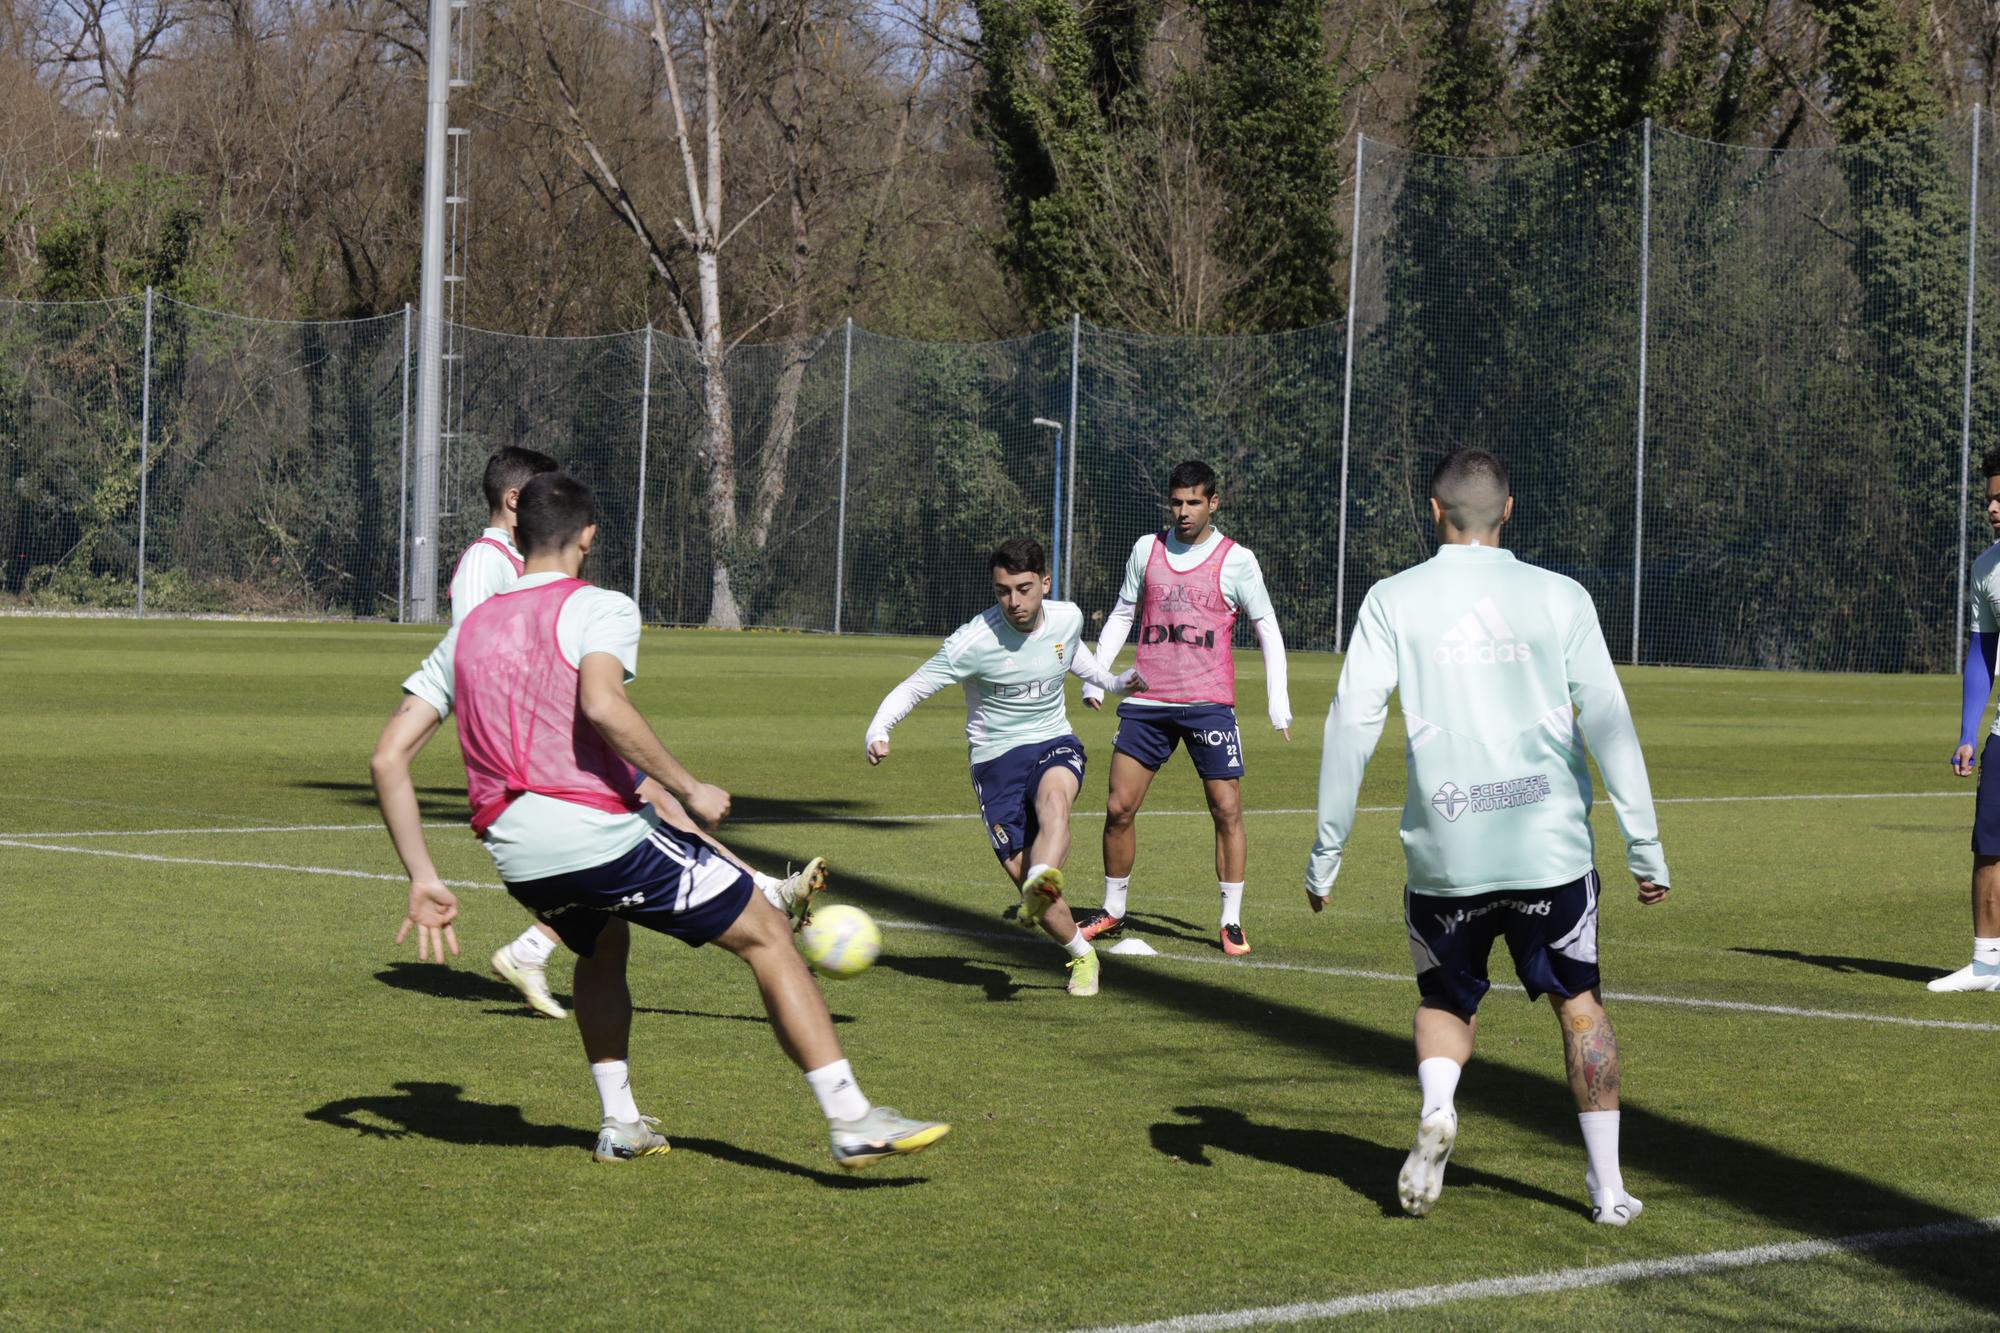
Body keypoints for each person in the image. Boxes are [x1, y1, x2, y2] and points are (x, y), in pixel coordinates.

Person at [372, 471, 946, 1169]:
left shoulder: (465, 633)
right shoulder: (599, 607)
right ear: (588, 535)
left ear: (516, 534)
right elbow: (604, 706)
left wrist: (422, 876)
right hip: (595, 834)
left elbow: (387, 759)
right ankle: (852, 1117)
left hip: (515, 851)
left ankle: (620, 1123)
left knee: (600, 942)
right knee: (768, 933)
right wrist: (690, 785)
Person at [1304, 448, 1670, 1225]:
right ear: (1509, 511)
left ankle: (1440, 1105)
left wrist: (1326, 850)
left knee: (1446, 997)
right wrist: (1646, 846)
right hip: (1548, 849)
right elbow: (1608, 719)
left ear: (1433, 511)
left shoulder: (1393, 598)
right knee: (1580, 1005)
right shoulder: (1559, 595)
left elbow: (1351, 724)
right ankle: (1607, 1189)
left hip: (1449, 847)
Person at [440, 447, 824, 1019]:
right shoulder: (484, 561)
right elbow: (481, 651)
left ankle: (534, 953)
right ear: (517, 502)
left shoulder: (517, 562)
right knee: (652, 813)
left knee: (649, 819)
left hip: (564, 738)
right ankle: (764, 893)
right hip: (543, 753)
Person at [865, 538, 1147, 997]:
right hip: (995, 760)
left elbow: (1071, 653)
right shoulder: (973, 641)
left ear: (1045, 583)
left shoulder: (1068, 616)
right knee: (1027, 881)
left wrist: (1113, 683)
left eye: (1023, 588)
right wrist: (878, 729)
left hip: (1053, 740)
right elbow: (915, 687)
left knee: (1055, 801)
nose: (1014, 602)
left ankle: (1042, 877)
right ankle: (1082, 954)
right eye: (1003, 591)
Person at [1072, 459, 1292, 955]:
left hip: (1208, 703)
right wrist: (1099, 679)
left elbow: (1267, 628)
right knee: (1118, 807)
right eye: (1177, 501)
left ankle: (1230, 921)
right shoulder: (1146, 549)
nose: (1184, 511)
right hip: (1147, 700)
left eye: (1194, 502)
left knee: (1227, 809)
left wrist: (1278, 700)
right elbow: (1124, 612)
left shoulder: (1237, 560)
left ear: (1213, 503)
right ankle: (1112, 910)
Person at [1939, 446, 2000, 993]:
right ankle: (1987, 965)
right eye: (1989, 499)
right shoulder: (1985, 567)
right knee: (1990, 843)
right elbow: (1982, 655)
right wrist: (1968, 733)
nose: (1994, 508)